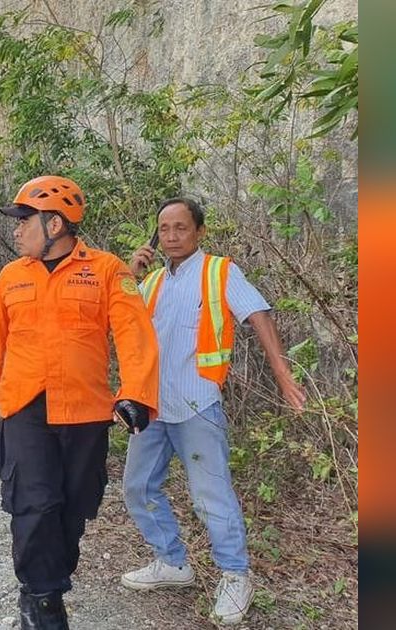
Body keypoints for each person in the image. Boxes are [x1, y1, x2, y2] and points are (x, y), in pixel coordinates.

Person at [0, 175, 159, 629]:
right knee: (35, 503)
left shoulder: (106, 270)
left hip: (85, 410)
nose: (16, 229)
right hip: (25, 408)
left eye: (24, 220)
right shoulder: (11, 276)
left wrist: (136, 394)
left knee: (75, 504)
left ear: (55, 224)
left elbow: (133, 334)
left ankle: (52, 579)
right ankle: (40, 601)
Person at [119, 197, 307, 625]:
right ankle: (172, 563)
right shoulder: (149, 284)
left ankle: (236, 576)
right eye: (164, 228)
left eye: (180, 227)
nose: (171, 236)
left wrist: (283, 375)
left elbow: (258, 314)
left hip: (197, 405)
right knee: (138, 487)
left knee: (211, 496)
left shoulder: (219, 271)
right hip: (151, 408)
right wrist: (130, 275)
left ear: (199, 232)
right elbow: (118, 323)